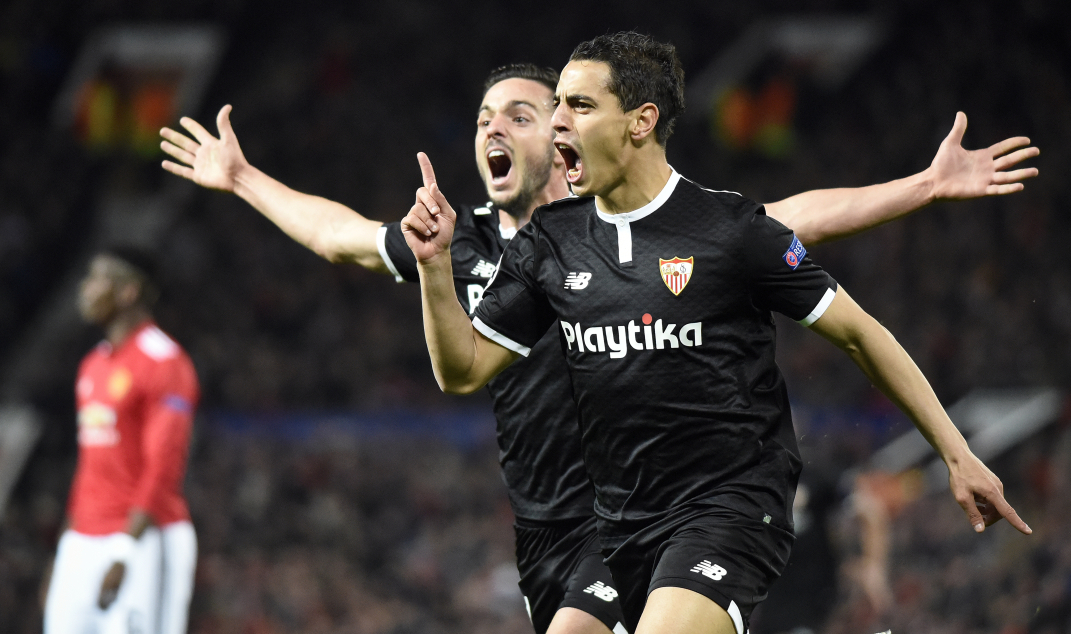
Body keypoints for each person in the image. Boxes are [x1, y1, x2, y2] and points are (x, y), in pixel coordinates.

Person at [159, 61, 1037, 634]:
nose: (492, 128)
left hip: (641, 509)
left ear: (563, 142)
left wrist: (920, 187)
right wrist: (240, 178)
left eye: (520, 113)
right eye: (480, 115)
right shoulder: (457, 243)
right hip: (544, 525)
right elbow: (336, 235)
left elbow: (785, 218)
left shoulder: (627, 229)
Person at [401, 32, 1033, 634]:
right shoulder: (551, 244)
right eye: (558, 103)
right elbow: (462, 370)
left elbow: (860, 335)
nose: (557, 121)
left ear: (640, 122)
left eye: (579, 105)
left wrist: (957, 453)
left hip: (729, 507)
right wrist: (434, 267)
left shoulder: (728, 231)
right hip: (620, 524)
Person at [43, 248, 199, 634]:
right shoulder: (92, 365)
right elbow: (91, 464)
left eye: (95, 279)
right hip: (84, 539)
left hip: (146, 538)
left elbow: (164, 464)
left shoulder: (164, 361)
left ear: (128, 292)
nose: (85, 289)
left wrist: (125, 550)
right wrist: (67, 544)